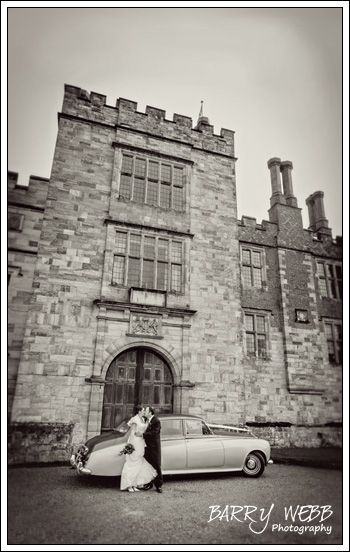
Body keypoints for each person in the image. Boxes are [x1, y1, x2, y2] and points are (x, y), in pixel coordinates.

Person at [120, 405, 156, 493]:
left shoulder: (143, 419)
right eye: (143, 410)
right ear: (139, 411)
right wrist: (131, 445)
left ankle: (135, 484)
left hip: (141, 442)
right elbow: (132, 433)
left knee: (139, 463)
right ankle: (129, 485)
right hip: (135, 442)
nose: (144, 411)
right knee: (132, 463)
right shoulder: (134, 419)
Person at [143, 406, 163, 493]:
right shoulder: (146, 420)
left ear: (150, 412)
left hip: (154, 448)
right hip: (147, 447)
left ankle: (159, 485)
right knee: (148, 465)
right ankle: (149, 482)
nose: (145, 412)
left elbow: (155, 432)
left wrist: (143, 435)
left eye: (146, 411)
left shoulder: (156, 421)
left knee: (156, 466)